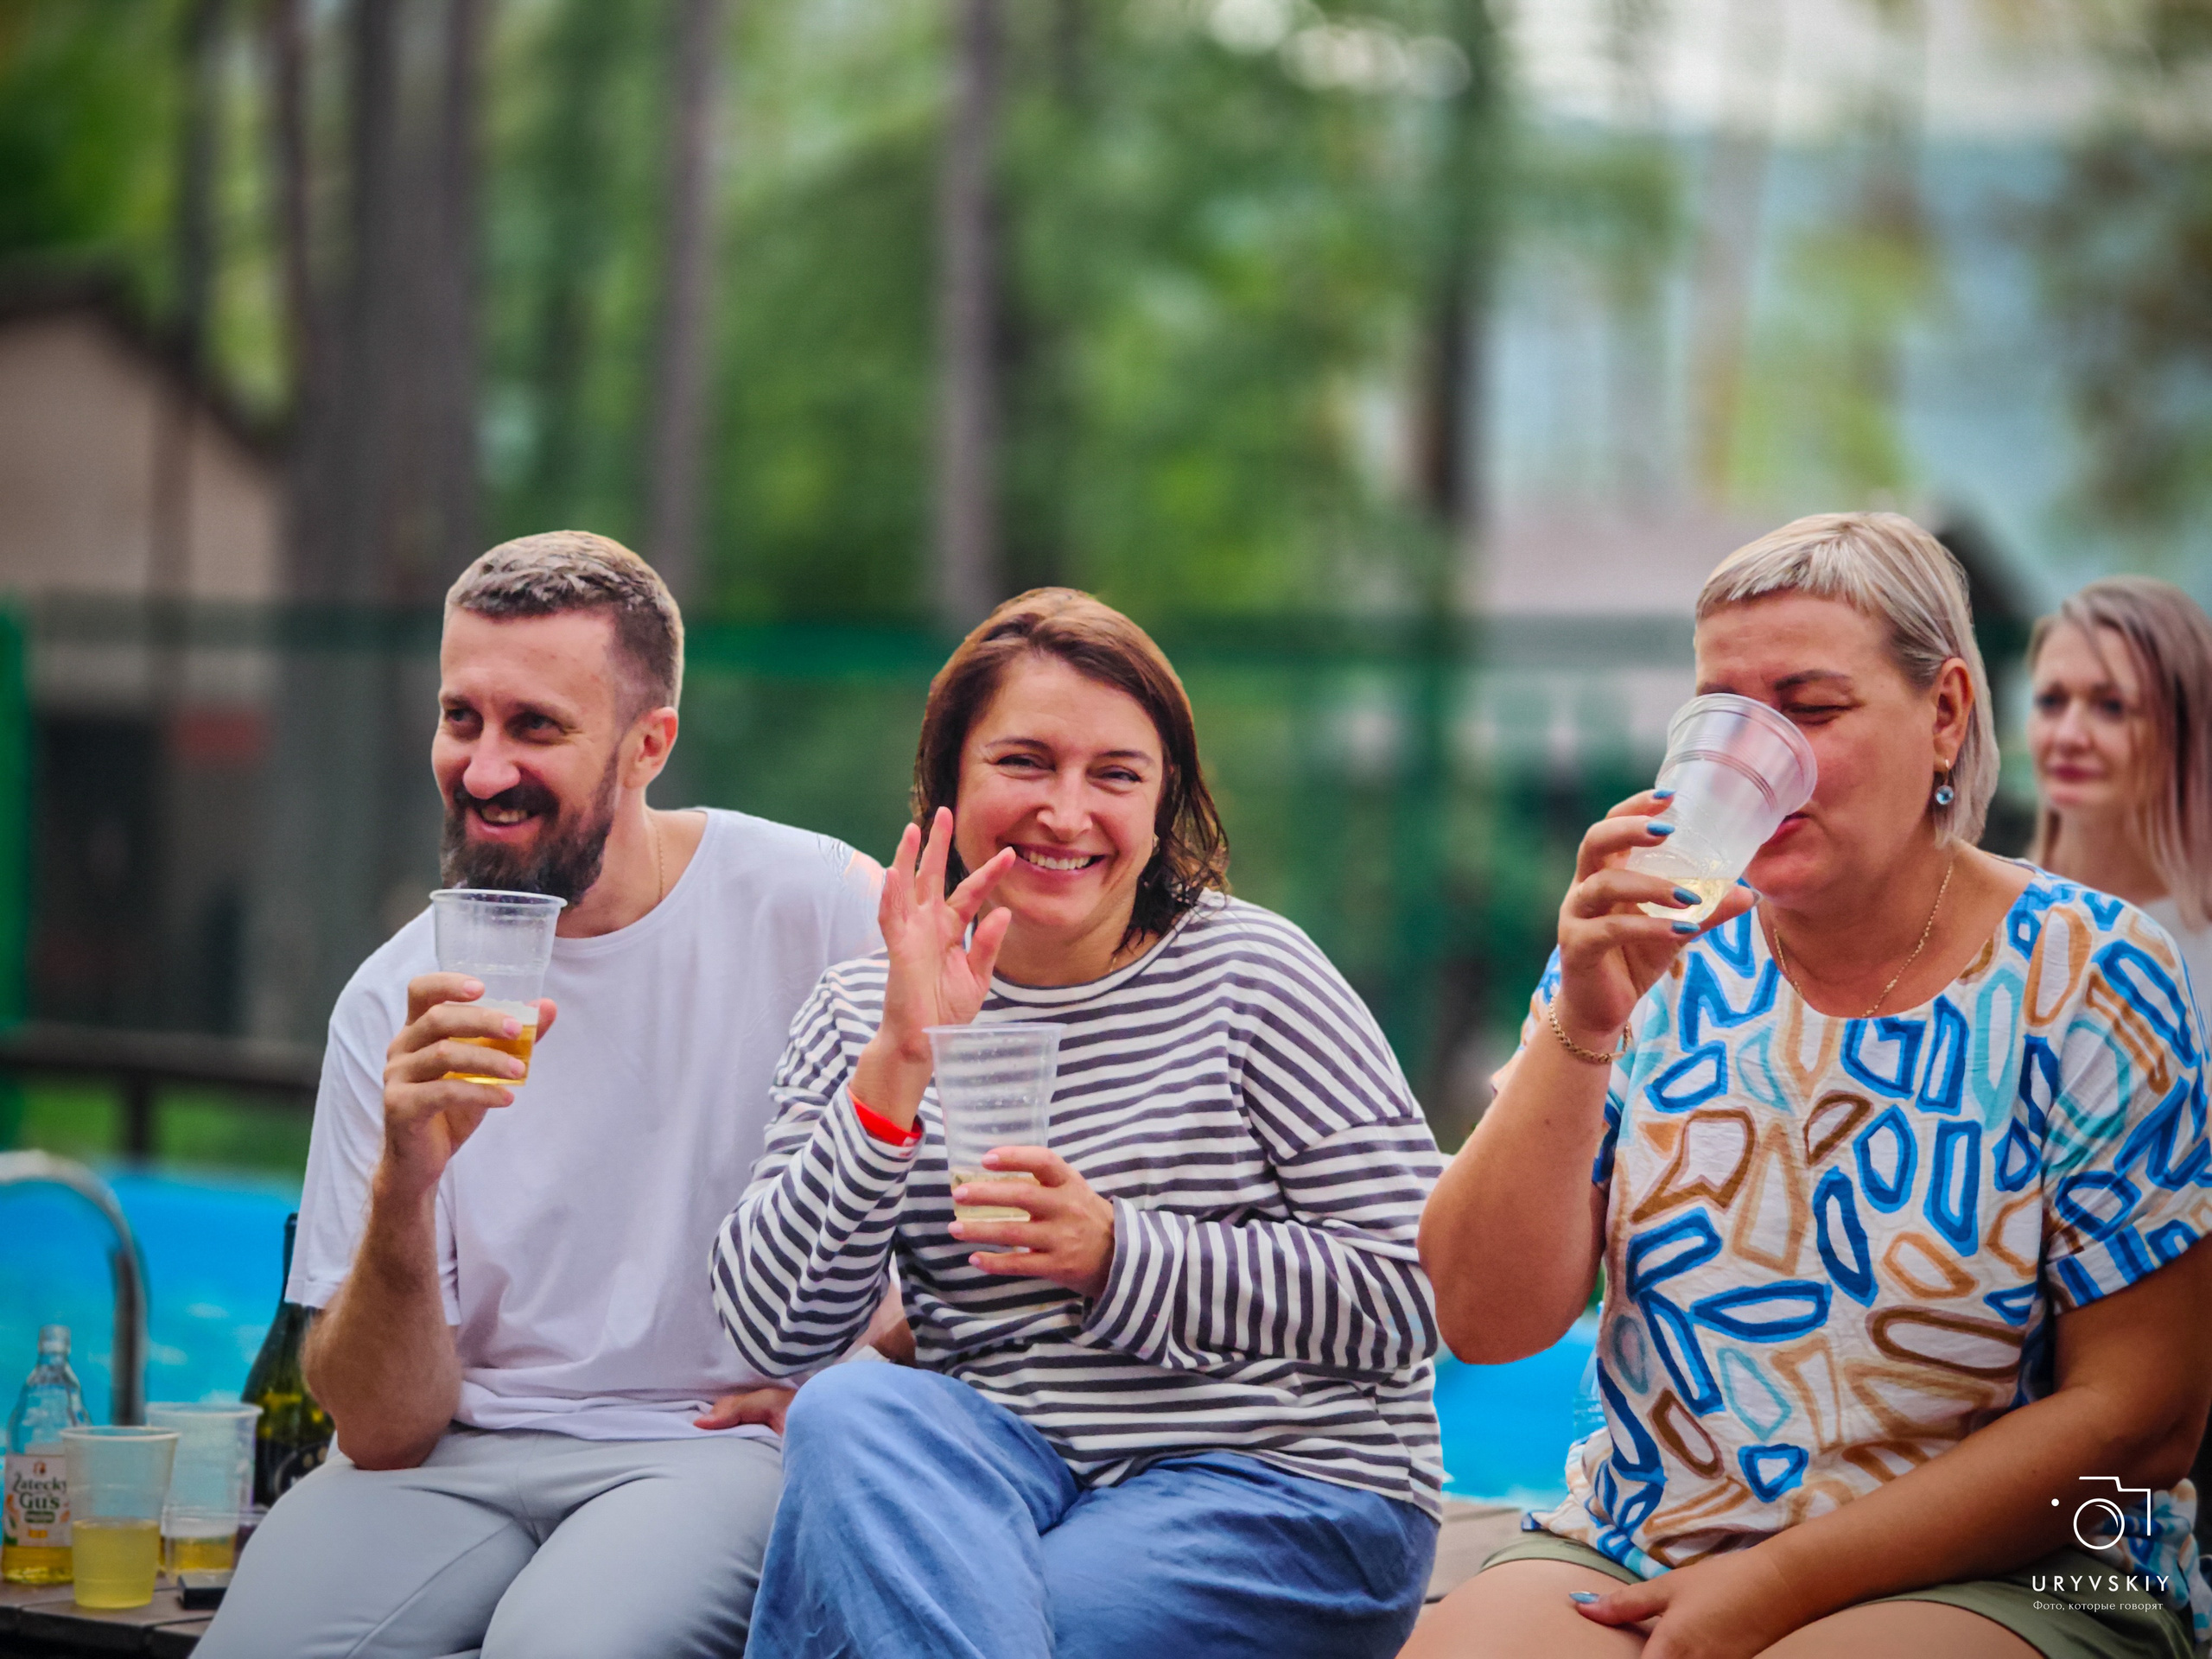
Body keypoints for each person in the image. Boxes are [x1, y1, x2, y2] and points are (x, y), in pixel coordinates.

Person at [1409, 513, 2212, 1659]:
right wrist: (1582, 1021)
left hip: (2025, 1569)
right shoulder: (1647, 949)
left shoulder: (2090, 973)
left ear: (1944, 716)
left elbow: (2147, 1417)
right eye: (1723, 713)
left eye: (1810, 707)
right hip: (1652, 1535)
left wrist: (1784, 1582)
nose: (1750, 754)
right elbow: (1483, 1322)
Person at [713, 588, 1446, 1659]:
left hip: (1282, 1482)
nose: (1066, 812)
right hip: (1006, 1464)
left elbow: (1417, 1288)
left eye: (1115, 775)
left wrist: (1118, 1252)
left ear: (1163, 808)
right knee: (847, 1417)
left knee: (977, 1624)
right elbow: (777, 1333)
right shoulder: (859, 1012)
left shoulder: (1256, 978)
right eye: (1024, 762)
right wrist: (897, 1067)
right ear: (948, 783)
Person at [200, 532, 885, 1659]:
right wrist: (405, 1183)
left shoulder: (818, 913)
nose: (480, 767)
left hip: (706, 1445)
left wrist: (859, 1377)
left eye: (535, 727)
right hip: (450, 1460)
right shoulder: (392, 999)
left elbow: (980, 1205)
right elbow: (380, 1430)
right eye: (460, 717)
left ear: (647, 745)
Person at [2026, 576, 2212, 1023]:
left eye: (2111, 707)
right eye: (2051, 701)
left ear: (2186, 730)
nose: (2068, 736)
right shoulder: (1980, 920)